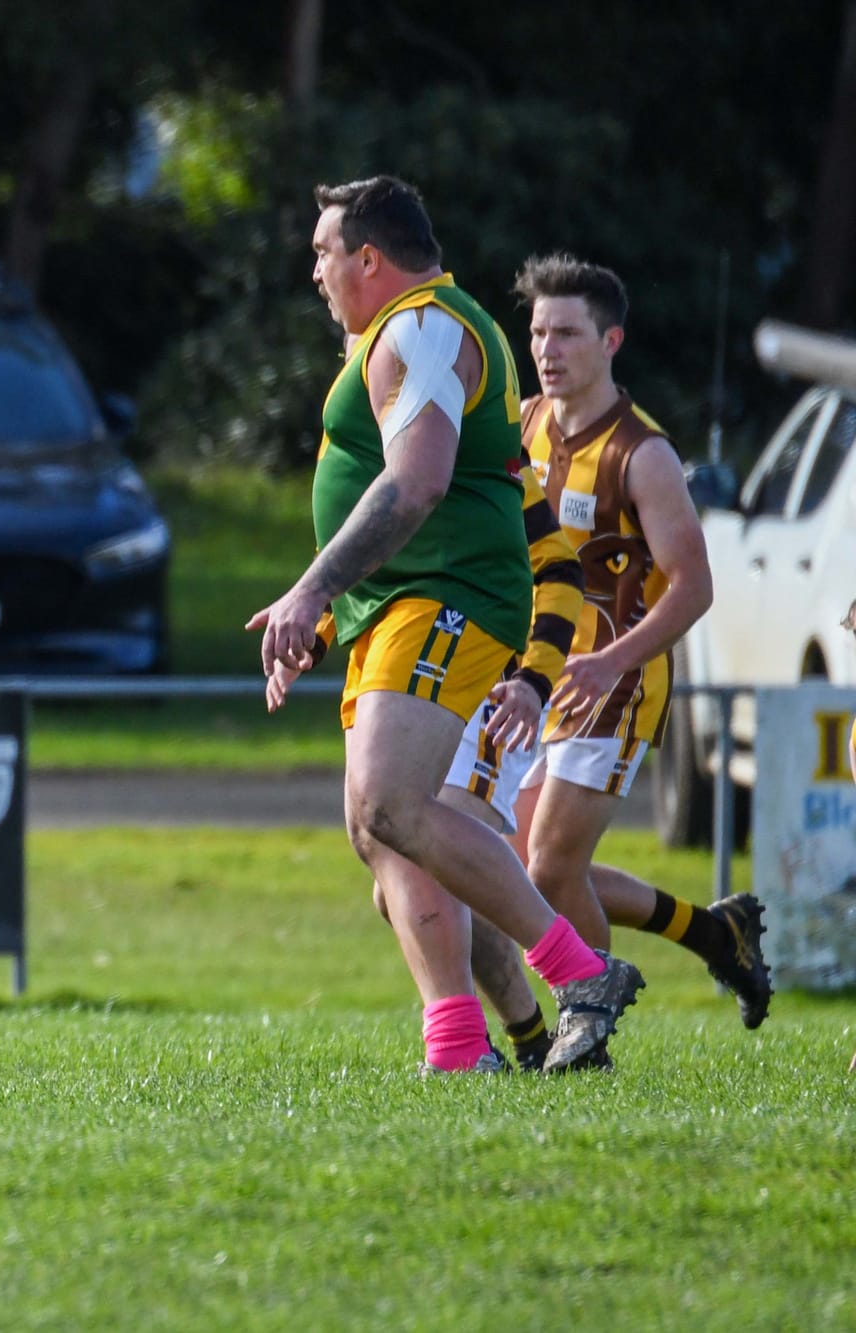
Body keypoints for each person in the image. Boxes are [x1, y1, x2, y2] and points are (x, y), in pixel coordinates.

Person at [253, 176, 643, 1073]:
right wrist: (322, 618)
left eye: (321, 253)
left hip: (449, 598)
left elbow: (418, 481)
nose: (314, 272)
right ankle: (463, 1046)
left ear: (368, 258)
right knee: (377, 828)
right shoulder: (401, 332)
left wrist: (311, 589)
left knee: (393, 804)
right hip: (399, 606)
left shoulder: (425, 326)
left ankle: (581, 975)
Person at [491, 254, 767, 1053]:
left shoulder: (642, 453)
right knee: (528, 870)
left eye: (567, 333)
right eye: (538, 332)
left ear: (610, 340)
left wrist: (614, 660)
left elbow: (694, 585)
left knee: (549, 868)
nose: (547, 349)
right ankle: (713, 933)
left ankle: (586, 1028)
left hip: (619, 682)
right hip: (542, 674)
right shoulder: (524, 425)